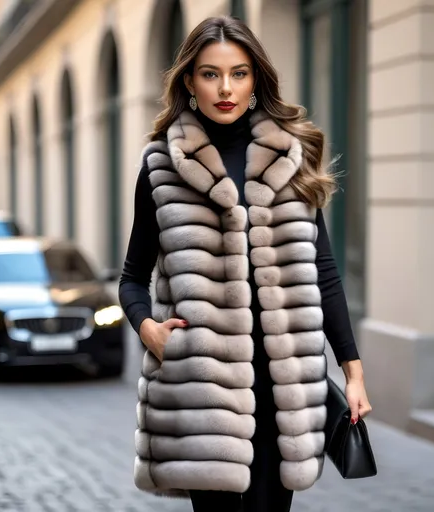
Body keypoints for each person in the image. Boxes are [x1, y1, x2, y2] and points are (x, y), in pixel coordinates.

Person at [119, 15, 372, 512]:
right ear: (189, 81)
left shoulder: (289, 160)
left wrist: (353, 371)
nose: (226, 87)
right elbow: (132, 276)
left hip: (285, 393)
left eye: (239, 73)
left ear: (256, 79)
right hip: (203, 395)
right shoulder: (161, 168)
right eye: (211, 74)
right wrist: (147, 327)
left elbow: (323, 272)